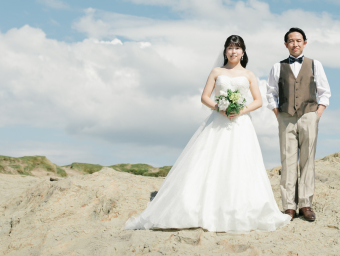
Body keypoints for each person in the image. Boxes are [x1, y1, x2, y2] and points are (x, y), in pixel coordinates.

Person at [124, 35, 290, 233]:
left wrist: (240, 110)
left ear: (243, 52)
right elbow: (205, 97)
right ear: (225, 51)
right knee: (210, 162)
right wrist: (220, 107)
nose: (233, 51)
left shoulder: (249, 75)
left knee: (240, 163)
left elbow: (258, 101)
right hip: (218, 121)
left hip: (241, 124)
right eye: (230, 47)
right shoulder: (216, 71)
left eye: (237, 48)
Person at [266, 27, 331, 222]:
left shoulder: (314, 64)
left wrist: (317, 114)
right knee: (288, 161)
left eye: (298, 40)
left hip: (309, 115)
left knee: (307, 160)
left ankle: (305, 204)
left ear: (304, 42)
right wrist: (278, 114)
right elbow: (271, 93)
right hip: (285, 117)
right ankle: (288, 207)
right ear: (286, 44)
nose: (295, 44)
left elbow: (324, 92)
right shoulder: (277, 67)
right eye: (291, 41)